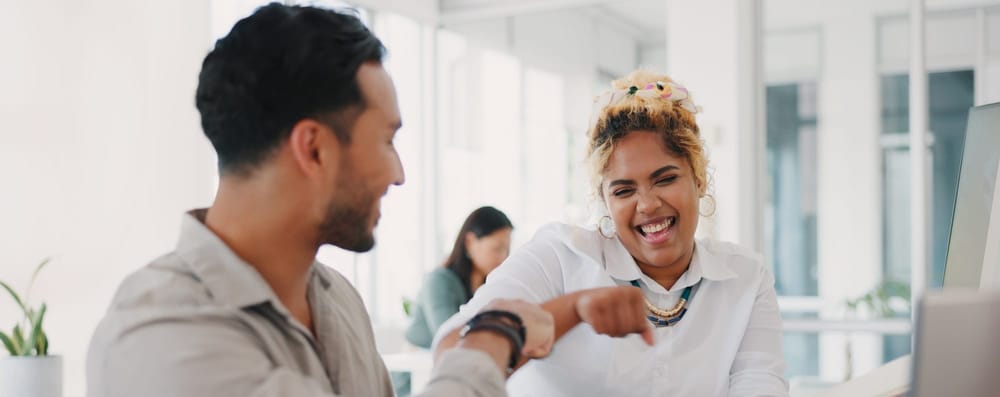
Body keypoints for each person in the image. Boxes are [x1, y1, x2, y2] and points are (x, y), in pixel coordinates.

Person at [85, 4, 560, 396]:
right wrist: (495, 334)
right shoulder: (159, 336)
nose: (399, 174)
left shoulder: (339, 300)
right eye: (386, 141)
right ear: (314, 148)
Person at [434, 71, 789, 396]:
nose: (647, 205)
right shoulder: (558, 257)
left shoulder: (745, 278)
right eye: (623, 191)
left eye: (665, 179)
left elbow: (761, 385)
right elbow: (453, 350)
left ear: (698, 179)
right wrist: (571, 310)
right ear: (604, 200)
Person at [405, 206, 514, 349]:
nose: (503, 257)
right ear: (470, 242)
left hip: (457, 360)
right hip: (418, 364)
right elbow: (448, 336)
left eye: (507, 250)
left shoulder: (488, 284)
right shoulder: (439, 280)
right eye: (497, 249)